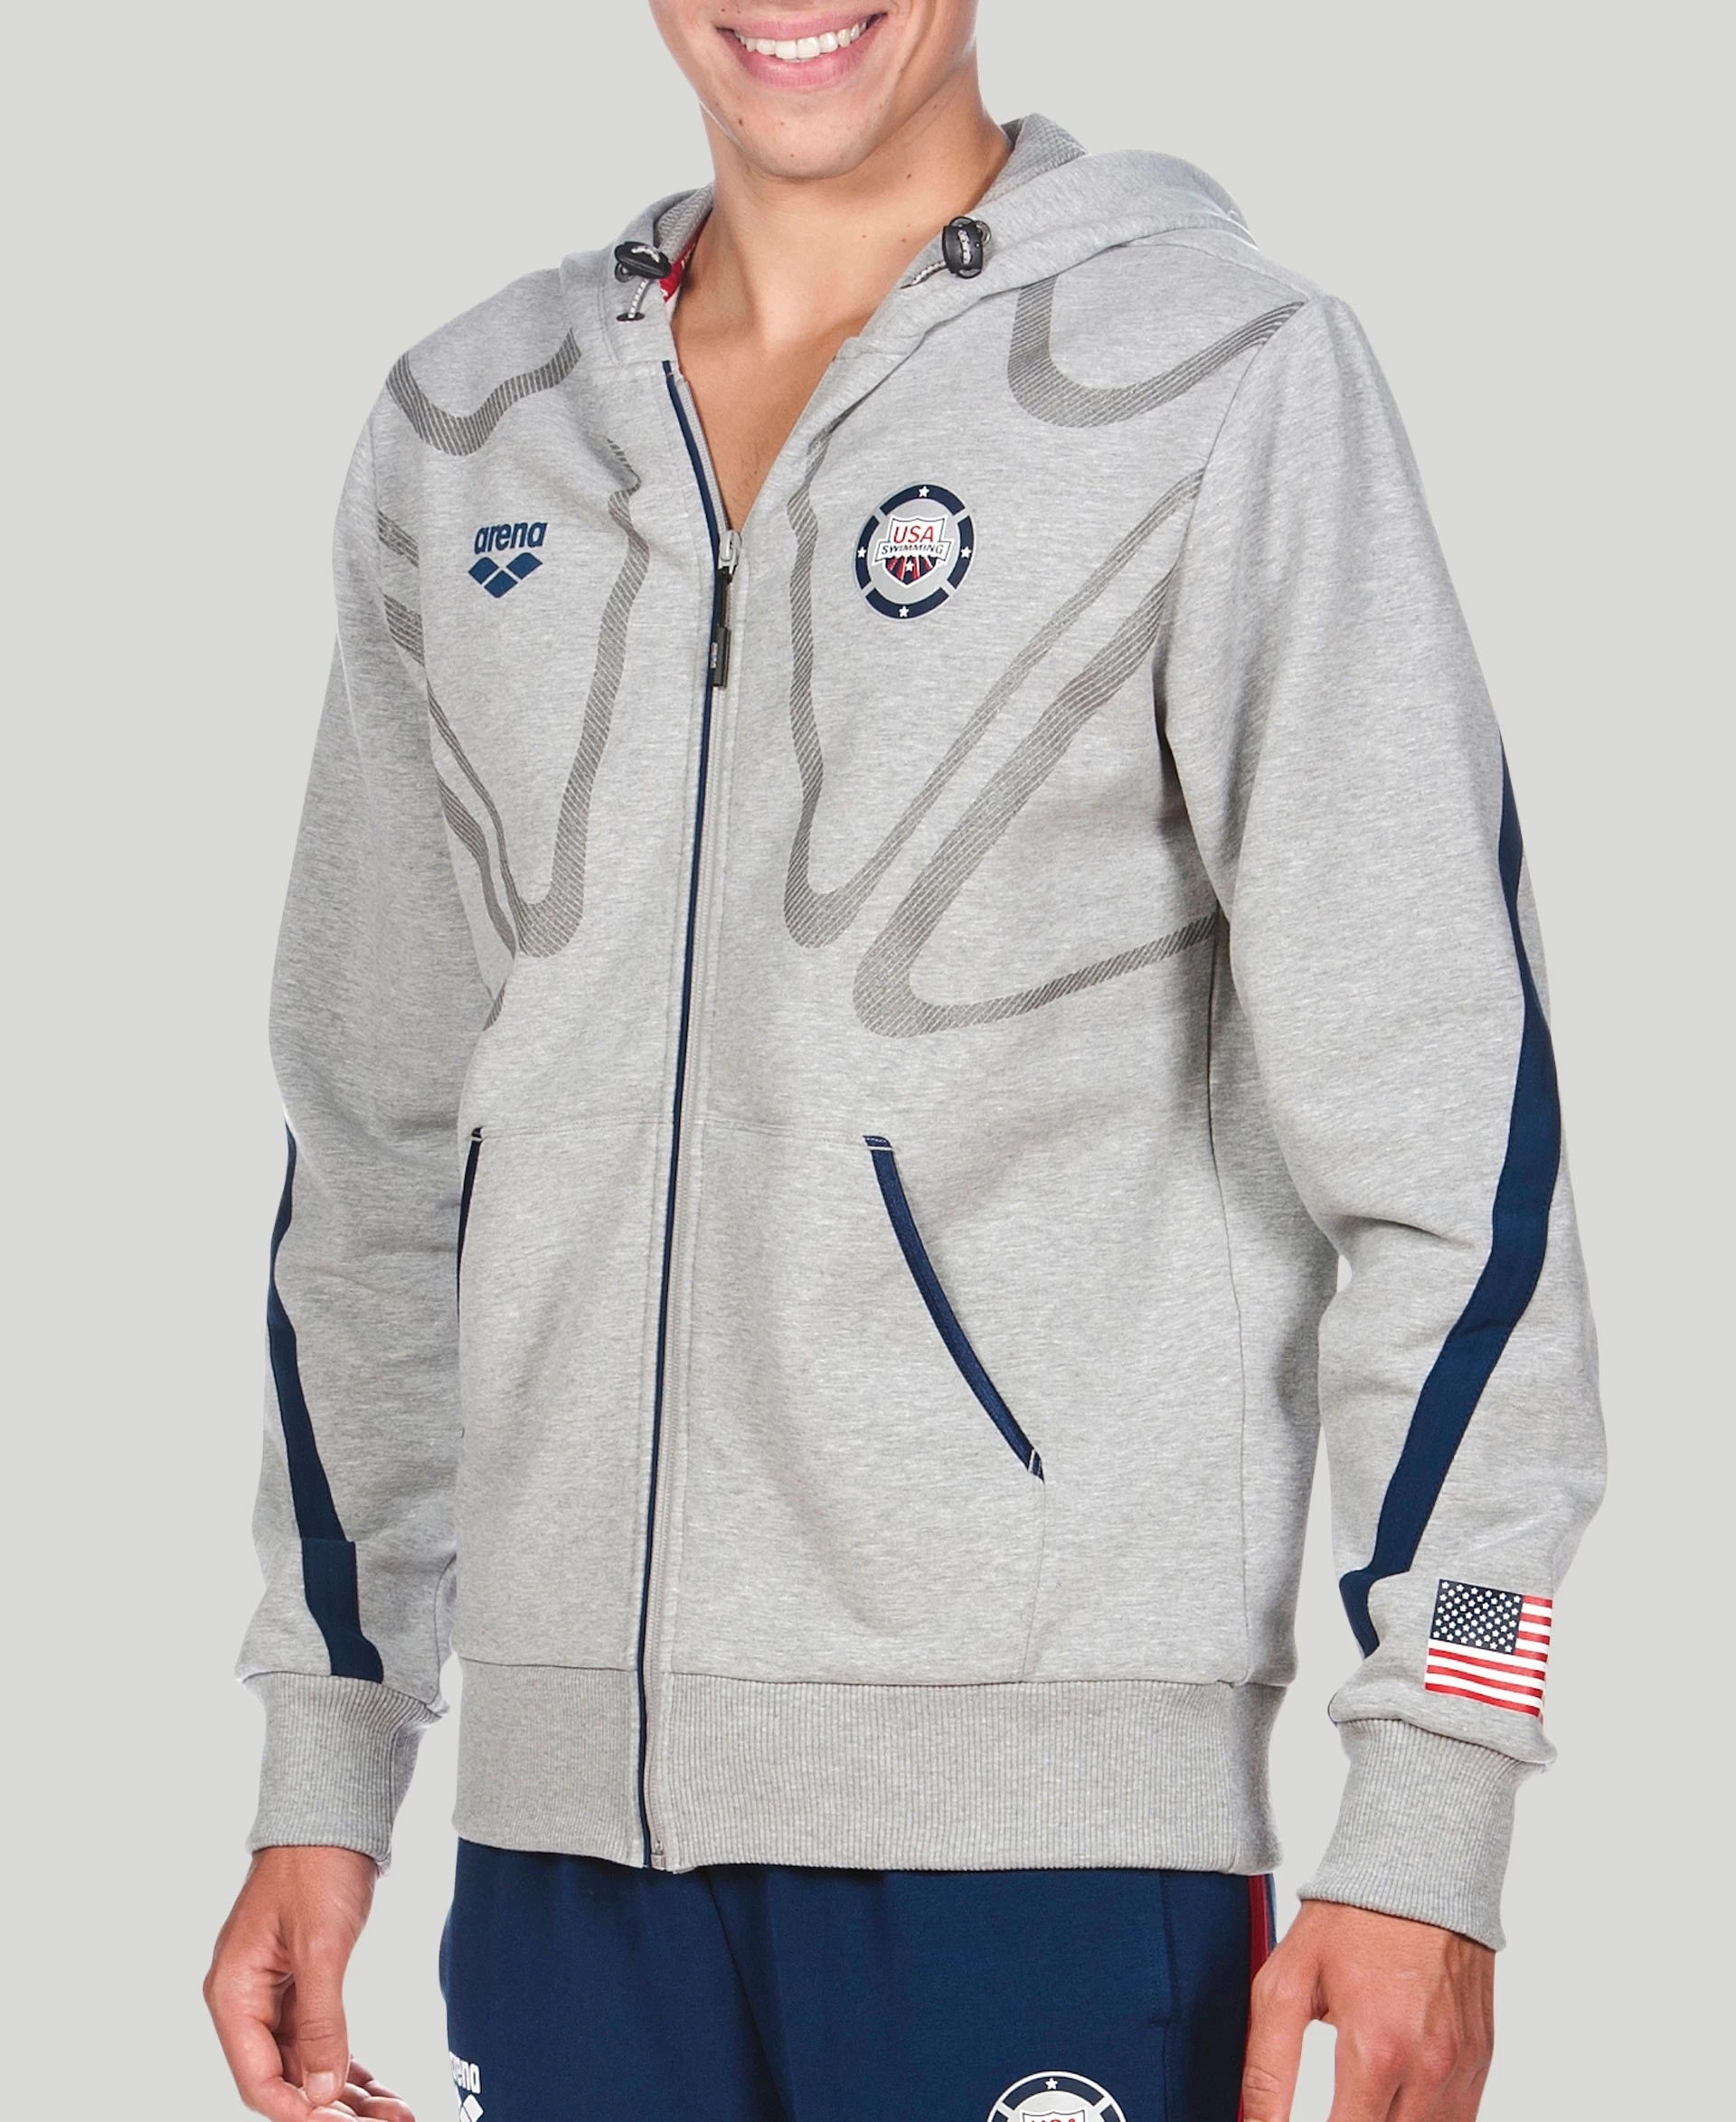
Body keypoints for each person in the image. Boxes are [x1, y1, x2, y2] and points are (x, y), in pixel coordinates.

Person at [203, 5, 1605, 2119]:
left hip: (1051, 1845)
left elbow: (1456, 1156)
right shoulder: (469, 433)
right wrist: (328, 1753)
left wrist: (1439, 1793)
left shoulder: (1221, 379)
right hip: (565, 1855)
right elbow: (374, 1148)